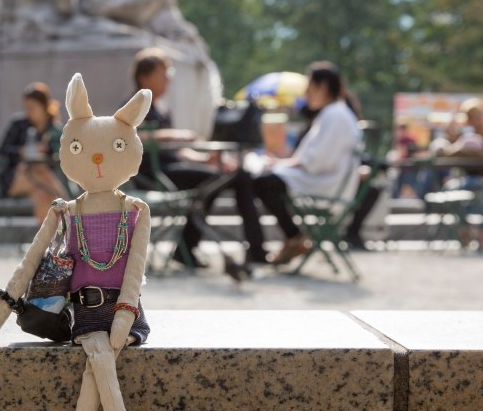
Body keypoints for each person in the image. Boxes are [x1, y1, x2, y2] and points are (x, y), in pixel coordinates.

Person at [129, 49, 264, 269]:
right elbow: (125, 135)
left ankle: (190, 246)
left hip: (170, 169)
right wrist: (168, 134)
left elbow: (175, 151)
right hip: (153, 175)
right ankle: (252, 249)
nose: (168, 79)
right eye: (163, 73)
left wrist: (204, 160)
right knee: (226, 180)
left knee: (231, 177)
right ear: (144, 77)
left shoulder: (160, 107)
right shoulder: (134, 105)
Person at [243, 62, 363, 265]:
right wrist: (284, 162)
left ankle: (294, 236)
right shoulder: (333, 113)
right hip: (322, 179)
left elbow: (316, 161)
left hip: (324, 183)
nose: (306, 93)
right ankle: (293, 236)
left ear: (322, 86)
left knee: (263, 182)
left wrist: (283, 163)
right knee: (264, 179)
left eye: (309, 87)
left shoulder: (335, 115)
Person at [436, 99, 483, 251]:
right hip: (465, 182)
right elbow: (446, 140)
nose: (474, 120)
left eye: (477, 116)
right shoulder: (462, 141)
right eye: (470, 116)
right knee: (450, 191)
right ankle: (463, 232)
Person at [0, 82, 68, 223]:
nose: (29, 112)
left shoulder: (54, 130)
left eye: (33, 108)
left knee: (43, 194)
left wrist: (45, 150)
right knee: (42, 176)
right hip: (16, 177)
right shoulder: (19, 124)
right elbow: (3, 149)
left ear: (44, 107)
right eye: (26, 108)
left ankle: (45, 241)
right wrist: (20, 152)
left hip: (41, 180)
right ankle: (69, 212)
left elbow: (60, 157)